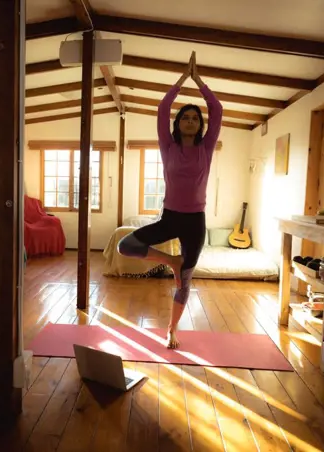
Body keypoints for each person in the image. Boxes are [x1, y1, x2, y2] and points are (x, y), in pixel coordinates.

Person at [117, 52, 223, 349]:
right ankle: (171, 262)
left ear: (200, 125)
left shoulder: (206, 147)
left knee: (185, 281)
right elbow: (163, 109)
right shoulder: (168, 146)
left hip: (195, 221)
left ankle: (171, 330)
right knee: (126, 245)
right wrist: (181, 80)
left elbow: (217, 108)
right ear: (178, 124)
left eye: (195, 118)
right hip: (170, 216)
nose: (190, 121)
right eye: (185, 117)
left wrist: (198, 81)